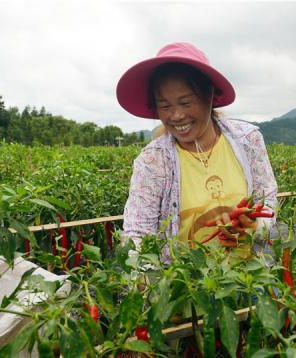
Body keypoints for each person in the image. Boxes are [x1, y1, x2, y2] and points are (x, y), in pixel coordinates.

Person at [116, 42, 277, 264]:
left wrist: (254, 225)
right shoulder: (152, 161)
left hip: (251, 271)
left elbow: (266, 197)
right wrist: (133, 273)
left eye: (186, 102)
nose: (176, 115)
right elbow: (138, 230)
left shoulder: (247, 140)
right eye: (164, 106)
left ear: (209, 96)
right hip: (186, 287)